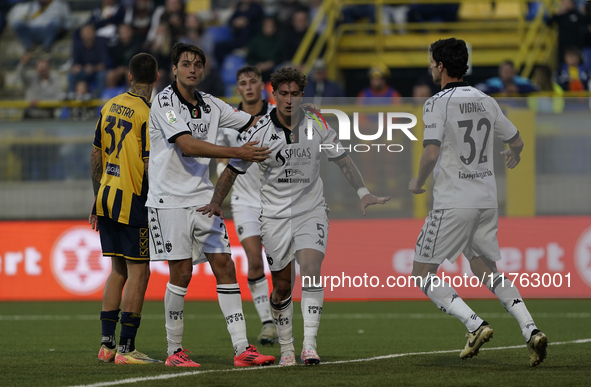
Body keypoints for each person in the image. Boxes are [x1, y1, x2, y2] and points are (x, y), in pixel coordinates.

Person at [199, 67, 390, 366]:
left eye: (295, 94)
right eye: (284, 94)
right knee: (283, 287)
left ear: (303, 95)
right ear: (274, 95)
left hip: (311, 209)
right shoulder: (259, 132)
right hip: (274, 217)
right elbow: (233, 169)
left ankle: (309, 345)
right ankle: (286, 347)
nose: (289, 100)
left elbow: (342, 159)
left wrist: (363, 192)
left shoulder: (317, 124)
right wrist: (215, 202)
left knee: (312, 267)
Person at [408, 38, 548, 367]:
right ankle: (530, 329)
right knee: (484, 266)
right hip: (486, 198)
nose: (430, 67)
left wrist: (418, 182)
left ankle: (475, 325)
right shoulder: (486, 100)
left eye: (432, 62)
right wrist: (512, 154)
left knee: (422, 272)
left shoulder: (436, 103)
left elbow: (431, 151)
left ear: (441, 66)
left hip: (455, 200)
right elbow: (516, 140)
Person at [147, 42, 275, 368]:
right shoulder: (164, 102)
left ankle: (242, 348)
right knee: (181, 272)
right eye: (186, 64)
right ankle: (174, 351)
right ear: (174, 69)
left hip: (204, 199)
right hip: (169, 201)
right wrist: (239, 153)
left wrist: (284, 121)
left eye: (197, 64)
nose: (192, 69)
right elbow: (187, 146)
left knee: (225, 265)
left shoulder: (211, 104)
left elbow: (250, 122)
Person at [89, 52, 161, 364]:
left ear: (129, 76)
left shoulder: (109, 105)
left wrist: (96, 196)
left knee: (117, 270)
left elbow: (95, 156)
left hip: (105, 196)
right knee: (139, 271)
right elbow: (147, 164)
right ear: (156, 78)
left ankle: (107, 346)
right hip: (133, 201)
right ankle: (128, 349)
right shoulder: (149, 113)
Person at [216, 65, 278, 346]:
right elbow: (219, 158)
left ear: (262, 85)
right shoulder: (229, 119)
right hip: (244, 200)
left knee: (280, 264)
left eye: (253, 81)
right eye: (243, 83)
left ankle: (280, 316)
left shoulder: (276, 115)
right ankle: (267, 323)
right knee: (254, 259)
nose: (249, 86)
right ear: (238, 89)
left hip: (276, 199)